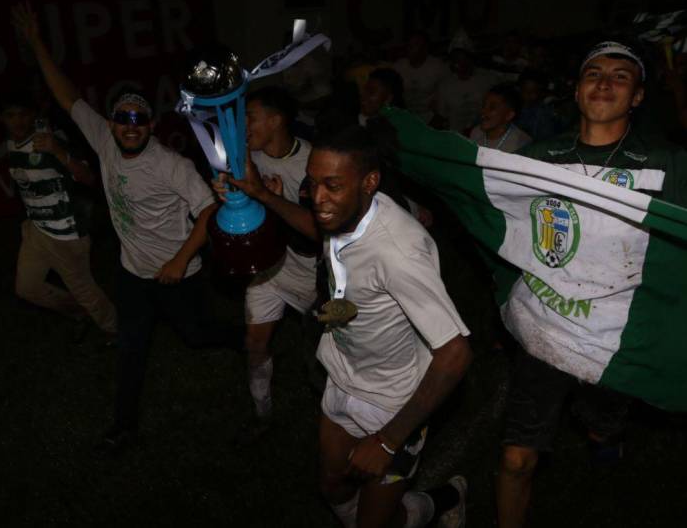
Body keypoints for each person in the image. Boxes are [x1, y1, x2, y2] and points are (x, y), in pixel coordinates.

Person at [13, 1, 222, 453]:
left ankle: (249, 337)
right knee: (131, 348)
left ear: (150, 126)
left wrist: (180, 259)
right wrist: (36, 44)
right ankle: (124, 425)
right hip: (132, 276)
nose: (130, 125)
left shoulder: (171, 164)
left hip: (177, 276)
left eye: (138, 119)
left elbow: (209, 211)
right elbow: (68, 97)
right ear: (111, 123)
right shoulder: (103, 140)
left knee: (196, 335)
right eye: (123, 117)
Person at [496, 40, 687, 528]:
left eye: (620, 76)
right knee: (517, 459)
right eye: (594, 74)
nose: (604, 83)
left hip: (615, 334)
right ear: (577, 92)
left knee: (601, 424)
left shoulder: (666, 163)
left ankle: (605, 434)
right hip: (544, 323)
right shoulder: (538, 157)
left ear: (639, 97)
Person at [307, 124, 472, 528]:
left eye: (331, 186)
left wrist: (387, 439)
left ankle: (447, 498)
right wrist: (260, 196)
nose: (317, 199)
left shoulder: (399, 253)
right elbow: (314, 224)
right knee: (333, 486)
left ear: (370, 182)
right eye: (311, 184)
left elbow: (455, 353)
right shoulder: (344, 214)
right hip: (343, 376)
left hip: (391, 403)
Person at [214, 85, 320, 443]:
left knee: (323, 362)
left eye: (251, 117)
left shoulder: (312, 165)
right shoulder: (246, 156)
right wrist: (228, 197)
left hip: (312, 280)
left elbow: (318, 234)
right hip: (269, 271)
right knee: (254, 344)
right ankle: (263, 413)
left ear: (277, 120)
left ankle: (336, 424)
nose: (244, 126)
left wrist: (275, 200)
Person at [0, 87, 117, 339]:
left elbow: (88, 178)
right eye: (10, 115)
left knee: (85, 289)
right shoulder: (11, 144)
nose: (17, 121)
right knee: (27, 288)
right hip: (36, 230)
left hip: (66, 233)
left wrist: (58, 152)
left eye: (23, 114)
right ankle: (78, 312)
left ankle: (117, 331)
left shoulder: (50, 142)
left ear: (33, 115)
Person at [435, 32, 500, 134]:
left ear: (470, 58)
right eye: (455, 59)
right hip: (456, 137)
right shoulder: (445, 85)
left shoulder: (488, 79)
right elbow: (441, 116)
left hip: (484, 136)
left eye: (461, 58)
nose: (458, 63)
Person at [391, 31, 449, 124]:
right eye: (408, 44)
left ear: (425, 48)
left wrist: (438, 117)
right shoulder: (398, 67)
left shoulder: (438, 67)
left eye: (415, 45)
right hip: (405, 116)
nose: (410, 48)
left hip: (430, 118)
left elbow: (446, 94)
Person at [468, 83, 532, 153]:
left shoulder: (521, 143)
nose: (483, 111)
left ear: (509, 115)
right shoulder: (476, 133)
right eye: (483, 105)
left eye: (492, 107)